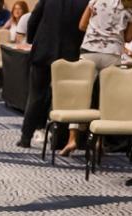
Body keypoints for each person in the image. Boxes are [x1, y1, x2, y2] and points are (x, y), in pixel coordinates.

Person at [60, 0, 132, 155]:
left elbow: (82, 25)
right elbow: (129, 37)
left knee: (80, 96)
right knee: (106, 99)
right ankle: (99, 141)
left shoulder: (95, 0)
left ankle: (72, 139)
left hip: (90, 50)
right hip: (113, 54)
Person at [16, 0, 88, 148]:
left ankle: (26, 137)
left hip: (43, 52)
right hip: (70, 54)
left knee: (36, 95)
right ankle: (59, 141)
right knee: (64, 99)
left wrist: (33, 40)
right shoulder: (85, 2)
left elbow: (33, 20)